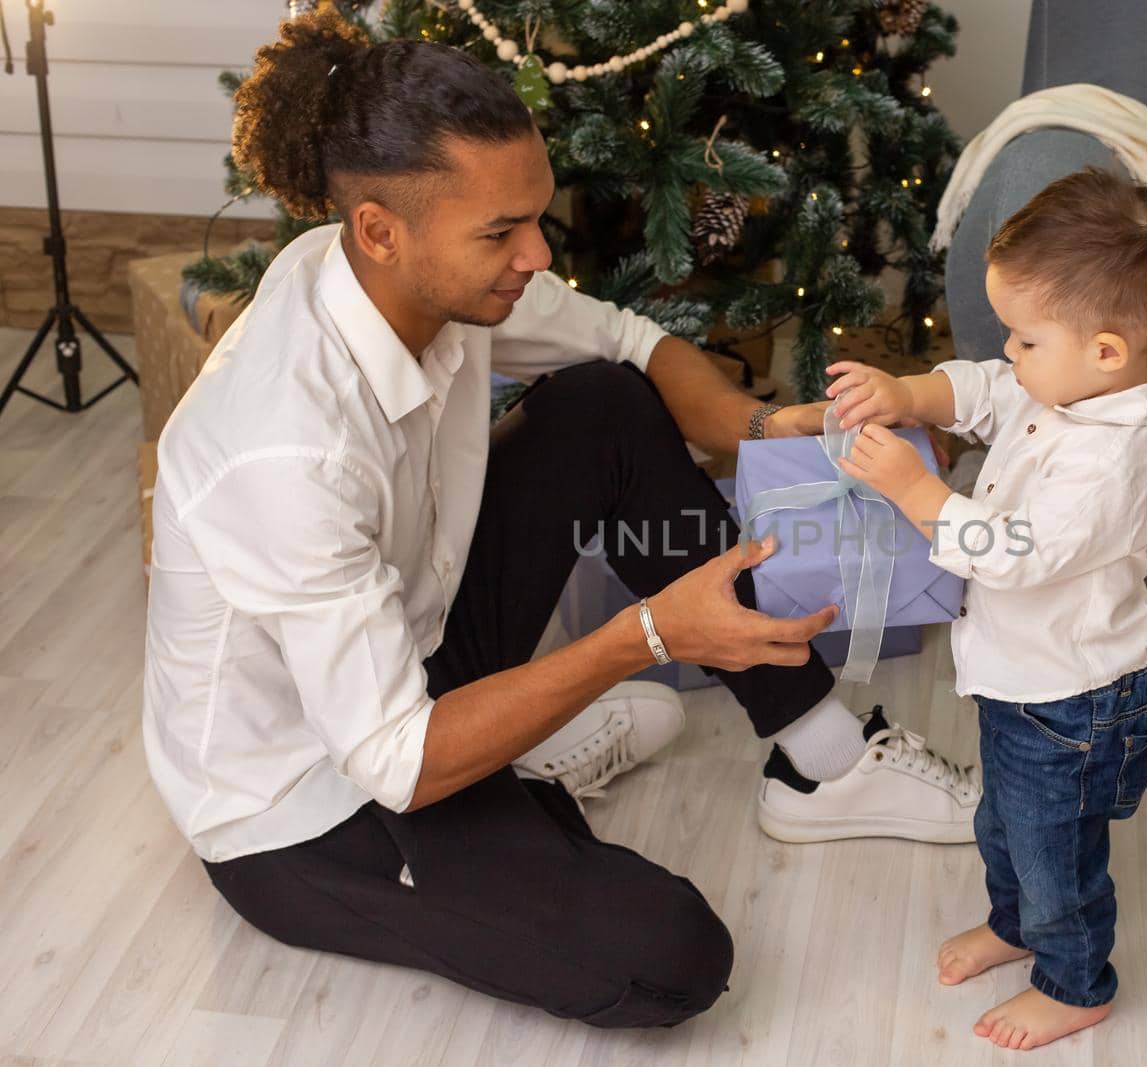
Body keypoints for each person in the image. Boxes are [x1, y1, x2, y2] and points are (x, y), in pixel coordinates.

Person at [141, 10, 977, 1029]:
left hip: (416, 658)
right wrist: (649, 636)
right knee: (672, 957)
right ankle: (520, 766)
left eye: (533, 214)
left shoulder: (406, 275)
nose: (536, 251)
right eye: (501, 231)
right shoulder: (283, 445)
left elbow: (628, 344)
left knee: (600, 404)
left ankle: (823, 756)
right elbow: (398, 763)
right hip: (314, 801)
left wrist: (765, 423)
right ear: (379, 230)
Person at [826, 169, 1147, 1050]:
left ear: (1107, 350)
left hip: (1077, 701)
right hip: (1024, 683)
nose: (1011, 353)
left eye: (1026, 338)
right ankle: (1012, 922)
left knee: (1056, 857)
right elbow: (990, 388)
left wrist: (919, 491)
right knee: (1005, 824)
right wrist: (910, 394)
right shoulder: (1065, 381)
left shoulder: (1109, 459)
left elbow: (1017, 555)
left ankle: (1074, 982)